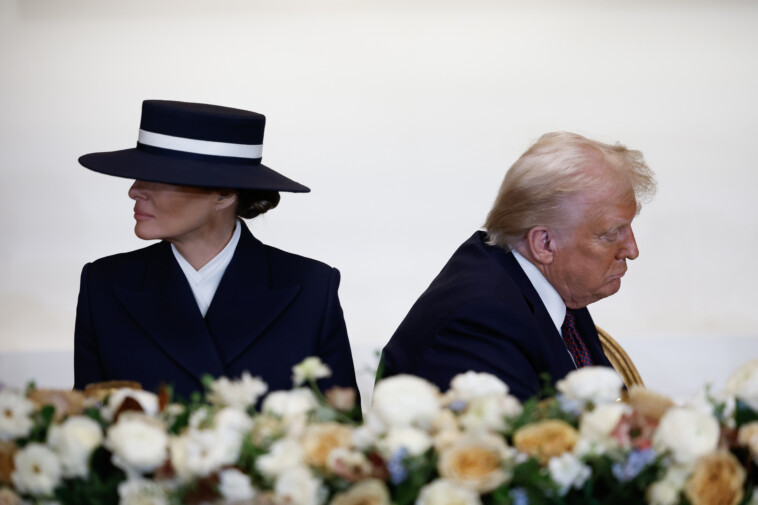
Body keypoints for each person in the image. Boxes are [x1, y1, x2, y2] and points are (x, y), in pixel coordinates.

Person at [74, 100, 359, 399]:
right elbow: (89, 425)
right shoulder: (105, 283)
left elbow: (340, 434)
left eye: (159, 177)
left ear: (224, 195)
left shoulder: (310, 287)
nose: (134, 190)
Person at [381, 131, 656, 401]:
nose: (632, 250)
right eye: (611, 233)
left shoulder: (556, 288)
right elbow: (531, 442)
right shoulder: (479, 319)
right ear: (544, 243)